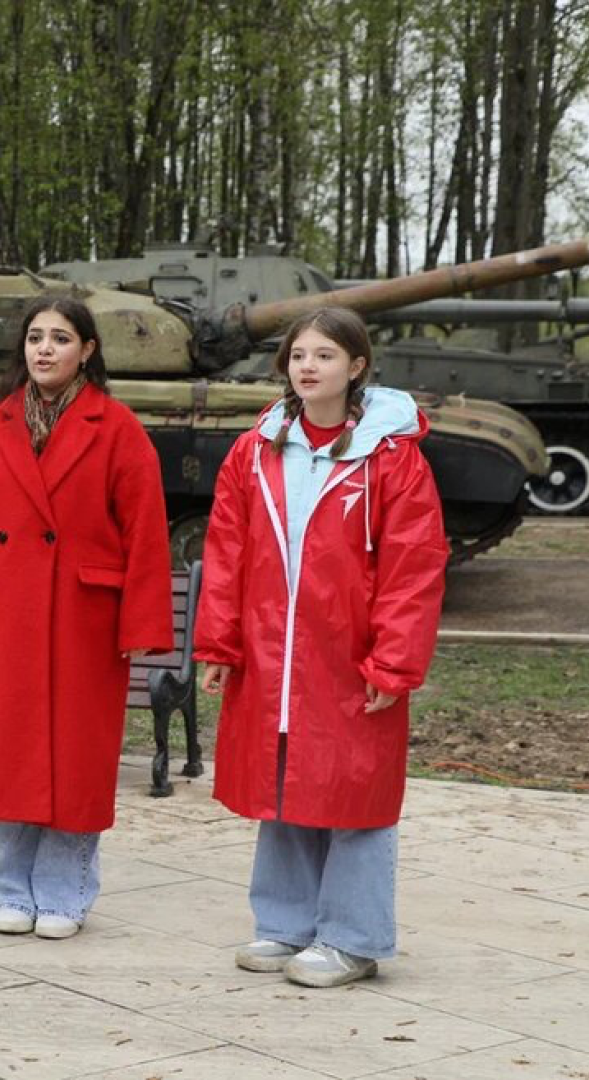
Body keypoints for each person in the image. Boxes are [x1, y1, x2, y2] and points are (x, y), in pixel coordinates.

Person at [195, 306, 448, 988]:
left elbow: (413, 565)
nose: (307, 366)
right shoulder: (256, 450)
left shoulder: (390, 460)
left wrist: (393, 662)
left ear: (356, 366)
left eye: (324, 356)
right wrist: (219, 643)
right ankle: (284, 924)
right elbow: (226, 551)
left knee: (354, 793)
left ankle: (353, 937)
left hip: (348, 657)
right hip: (272, 653)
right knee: (282, 783)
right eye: (298, 355)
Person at [0, 295, 172, 940]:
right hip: (6, 610)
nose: (44, 349)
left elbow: (145, 533)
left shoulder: (116, 427)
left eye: (60, 338)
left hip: (83, 616)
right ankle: (14, 889)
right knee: (12, 753)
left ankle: (64, 891)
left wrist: (141, 625)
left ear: (87, 350)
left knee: (76, 757)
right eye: (35, 337)